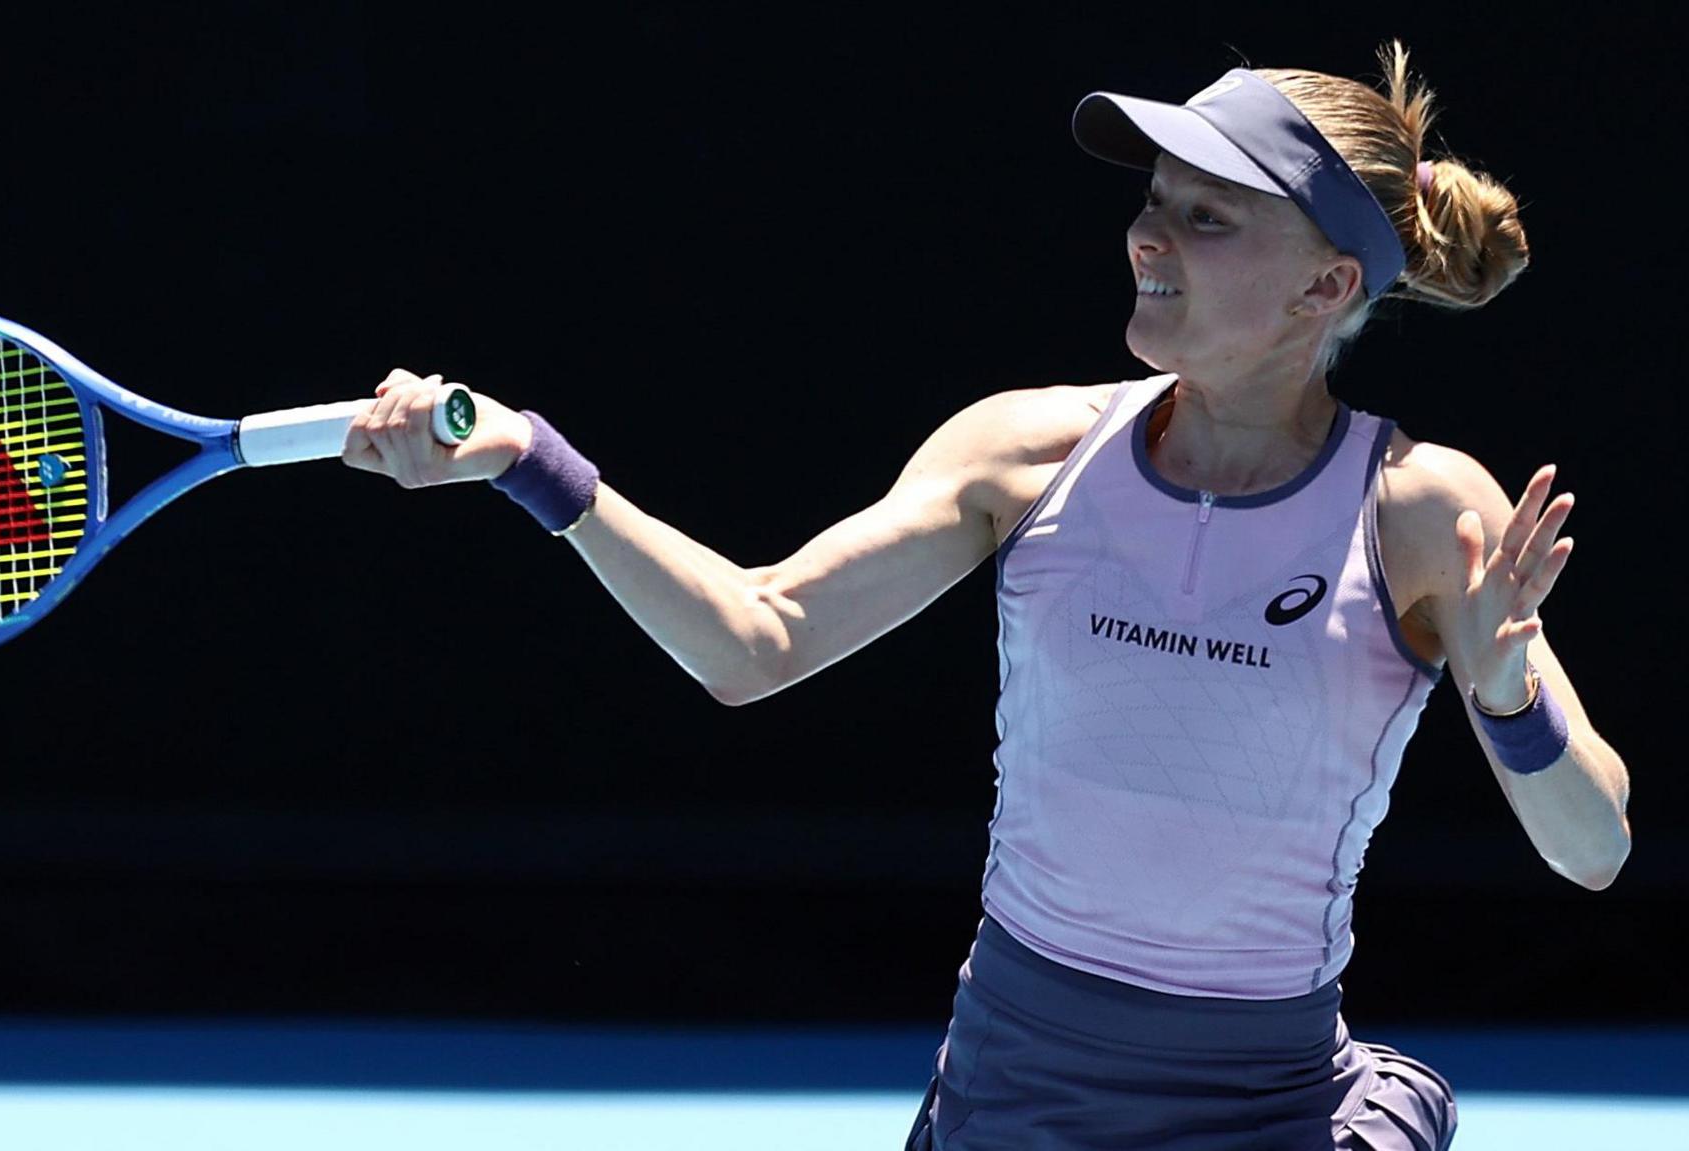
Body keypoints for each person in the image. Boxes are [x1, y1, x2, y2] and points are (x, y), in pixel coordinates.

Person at [339, 40, 1632, 1150]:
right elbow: (755, 638)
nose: (1148, 235)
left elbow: (1593, 849)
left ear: (1327, 285)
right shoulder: (1028, 453)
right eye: (1156, 202)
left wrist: (1512, 699)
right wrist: (531, 464)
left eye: (1208, 216)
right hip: (1009, 1106)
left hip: (1274, 1116)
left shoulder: (1422, 511)